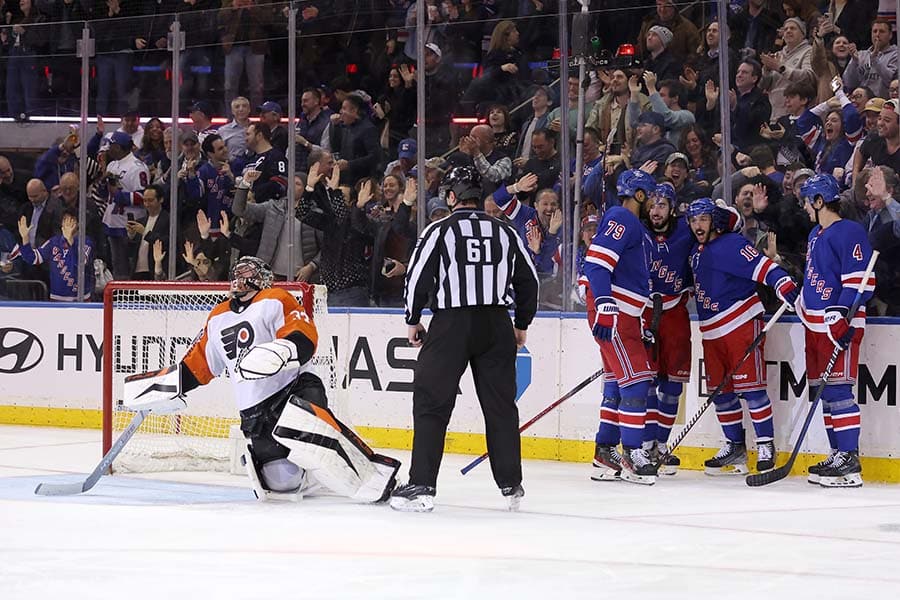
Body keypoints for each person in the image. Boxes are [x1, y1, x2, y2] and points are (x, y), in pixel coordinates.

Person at [123, 256, 400, 501]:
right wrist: (162, 385)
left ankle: (374, 476)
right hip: (255, 412)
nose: (240, 278)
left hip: (293, 390)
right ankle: (312, 478)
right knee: (284, 483)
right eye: (237, 273)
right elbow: (199, 364)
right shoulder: (217, 316)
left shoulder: (276, 298)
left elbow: (303, 335)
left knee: (313, 436)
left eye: (248, 273)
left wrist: (284, 348)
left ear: (262, 279)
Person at [392, 166, 539, 512]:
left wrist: (412, 320)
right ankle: (511, 485)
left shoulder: (438, 230)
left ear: (452, 197)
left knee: (431, 403)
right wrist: (521, 323)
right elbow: (529, 280)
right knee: (501, 406)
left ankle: (422, 484)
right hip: (496, 324)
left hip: (451, 325)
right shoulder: (505, 231)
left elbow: (417, 278)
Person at [686, 197, 799, 476]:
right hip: (710, 330)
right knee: (721, 392)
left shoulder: (732, 245)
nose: (697, 225)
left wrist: (783, 282)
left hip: (739, 323)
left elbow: (765, 268)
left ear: (715, 221)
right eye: (692, 220)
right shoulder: (696, 252)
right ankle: (735, 446)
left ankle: (765, 445)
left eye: (702, 219)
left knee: (752, 389)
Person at [797, 174, 875, 487]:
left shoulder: (850, 232)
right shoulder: (816, 233)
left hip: (837, 326)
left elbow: (860, 280)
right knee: (826, 394)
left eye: (806, 201)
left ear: (819, 201)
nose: (803, 207)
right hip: (814, 326)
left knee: (840, 391)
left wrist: (841, 314)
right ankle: (837, 454)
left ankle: (850, 460)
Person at [583, 169, 658, 485]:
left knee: (617, 381)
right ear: (639, 195)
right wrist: (604, 304)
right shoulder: (622, 217)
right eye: (649, 196)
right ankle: (632, 452)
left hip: (623, 313)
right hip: (616, 313)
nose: (653, 203)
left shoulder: (633, 227)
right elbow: (597, 263)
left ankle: (605, 451)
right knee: (637, 382)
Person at [642, 183, 694, 473]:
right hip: (644, 311)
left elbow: (729, 222)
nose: (655, 210)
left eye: (661, 205)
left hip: (675, 313)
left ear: (673, 208)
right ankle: (647, 444)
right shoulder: (639, 232)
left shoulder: (686, 231)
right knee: (647, 381)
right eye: (652, 205)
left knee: (672, 384)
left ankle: (662, 445)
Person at [13, 208, 93, 301]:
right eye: (65, 220)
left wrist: (70, 242)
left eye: (71, 221)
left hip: (80, 299)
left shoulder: (85, 241)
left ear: (78, 223)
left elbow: (80, 264)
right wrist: (25, 238)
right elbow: (34, 259)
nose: (67, 224)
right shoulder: (54, 242)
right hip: (57, 299)